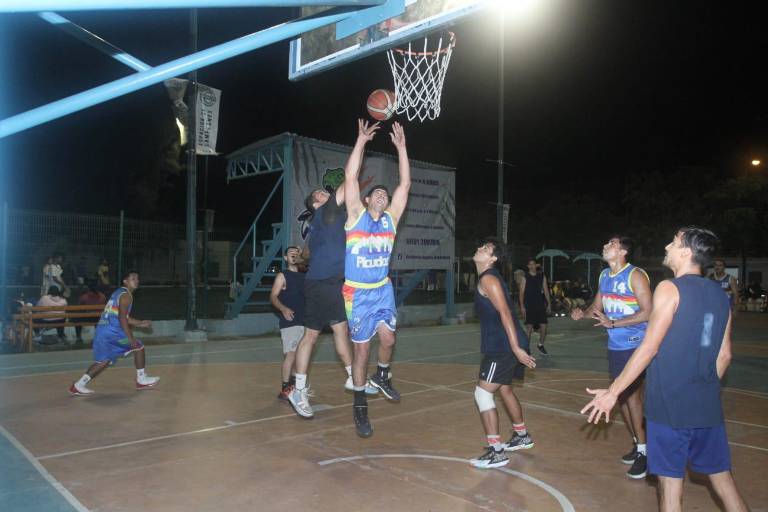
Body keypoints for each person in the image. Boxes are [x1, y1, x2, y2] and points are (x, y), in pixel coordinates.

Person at [582, 227, 748, 512]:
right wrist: (703, 388)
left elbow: (649, 347)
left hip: (669, 403)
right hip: (706, 404)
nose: (667, 246)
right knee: (723, 481)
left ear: (686, 253)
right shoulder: (721, 296)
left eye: (673, 242)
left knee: (670, 487)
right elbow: (724, 355)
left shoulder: (670, 288)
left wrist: (613, 392)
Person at [287, 142, 377, 419]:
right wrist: (361, 141)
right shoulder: (325, 212)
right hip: (322, 282)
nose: (323, 193)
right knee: (311, 336)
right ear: (315, 204)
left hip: (334, 281)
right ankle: (297, 389)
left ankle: (352, 376)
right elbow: (350, 176)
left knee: (341, 331)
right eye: (318, 193)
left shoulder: (325, 220)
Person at [342, 119, 410, 438]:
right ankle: (359, 408)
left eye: (386, 193)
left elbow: (405, 186)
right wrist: (360, 142)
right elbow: (350, 176)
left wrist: (401, 148)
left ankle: (382, 376)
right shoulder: (355, 216)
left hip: (382, 290)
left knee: (389, 340)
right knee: (361, 353)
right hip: (356, 294)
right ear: (368, 201)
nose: (383, 196)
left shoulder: (391, 222)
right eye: (378, 193)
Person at [570, 235, 651, 479]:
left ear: (623, 251)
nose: (606, 245)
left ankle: (645, 453)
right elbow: (597, 308)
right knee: (623, 399)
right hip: (616, 346)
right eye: (606, 242)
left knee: (632, 398)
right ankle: (639, 444)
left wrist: (614, 323)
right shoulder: (605, 276)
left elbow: (649, 312)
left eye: (612, 244)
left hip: (636, 345)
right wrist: (581, 313)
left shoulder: (635, 275)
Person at [469, 238, 537, 469]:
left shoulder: (488, 278)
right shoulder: (487, 278)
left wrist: (516, 348)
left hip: (504, 347)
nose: (479, 248)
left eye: (485, 249)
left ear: (493, 258)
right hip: (505, 343)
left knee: (482, 394)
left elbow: (506, 314)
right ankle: (522, 435)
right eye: (482, 246)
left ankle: (496, 451)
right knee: (505, 389)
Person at [68, 270, 160, 395]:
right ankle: (141, 379)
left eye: (137, 278)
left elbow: (119, 315)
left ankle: (78, 385)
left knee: (104, 361)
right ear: (125, 281)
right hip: (113, 332)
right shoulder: (126, 296)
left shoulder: (118, 292)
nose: (136, 280)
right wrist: (130, 338)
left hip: (102, 331)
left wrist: (139, 323)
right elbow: (122, 319)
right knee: (138, 347)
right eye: (133, 278)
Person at [270, 246, 305, 401]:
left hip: (305, 321)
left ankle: (296, 385)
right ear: (285, 258)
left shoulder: (306, 275)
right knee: (291, 355)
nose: (294, 255)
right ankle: (285, 388)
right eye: (291, 253)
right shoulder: (282, 276)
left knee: (300, 357)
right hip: (290, 321)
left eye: (297, 254)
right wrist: (283, 308)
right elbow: (273, 296)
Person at [518, 259, 551, 355]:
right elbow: (521, 293)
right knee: (529, 328)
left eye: (533, 264)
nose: (532, 266)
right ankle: (526, 349)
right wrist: (522, 307)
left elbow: (546, 291)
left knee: (544, 327)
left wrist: (549, 304)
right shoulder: (525, 277)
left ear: (536, 265)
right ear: (528, 266)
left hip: (540, 305)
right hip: (529, 305)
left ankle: (540, 345)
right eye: (530, 265)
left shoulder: (542, 276)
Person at [75, 280, 107, 345]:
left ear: (88, 288)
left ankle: (78, 337)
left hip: (87, 318)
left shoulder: (84, 297)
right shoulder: (102, 296)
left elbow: (79, 307)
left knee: (76, 319)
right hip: (99, 318)